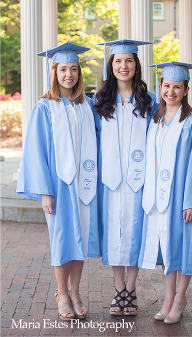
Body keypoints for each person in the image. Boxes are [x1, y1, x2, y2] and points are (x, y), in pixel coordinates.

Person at [17, 42, 100, 321]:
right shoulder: (44, 107)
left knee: (80, 240)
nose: (69, 75)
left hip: (84, 185)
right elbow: (35, 151)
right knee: (62, 240)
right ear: (54, 72)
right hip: (58, 186)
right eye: (63, 69)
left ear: (79, 72)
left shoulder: (86, 105)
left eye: (74, 69)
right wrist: (45, 192)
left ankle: (76, 292)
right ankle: (62, 294)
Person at [137, 61, 192, 324]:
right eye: (166, 86)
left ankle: (179, 298)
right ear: (160, 87)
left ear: (186, 90)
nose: (170, 92)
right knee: (166, 248)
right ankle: (168, 297)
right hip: (158, 198)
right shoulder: (154, 120)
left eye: (177, 87)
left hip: (183, 198)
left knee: (183, 248)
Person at [92, 39, 159, 316]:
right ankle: (118, 288)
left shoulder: (150, 100)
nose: (124, 66)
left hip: (138, 180)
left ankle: (130, 289)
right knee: (114, 235)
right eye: (118, 61)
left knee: (133, 234)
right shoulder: (99, 101)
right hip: (109, 181)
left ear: (136, 65)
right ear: (111, 65)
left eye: (129, 61)